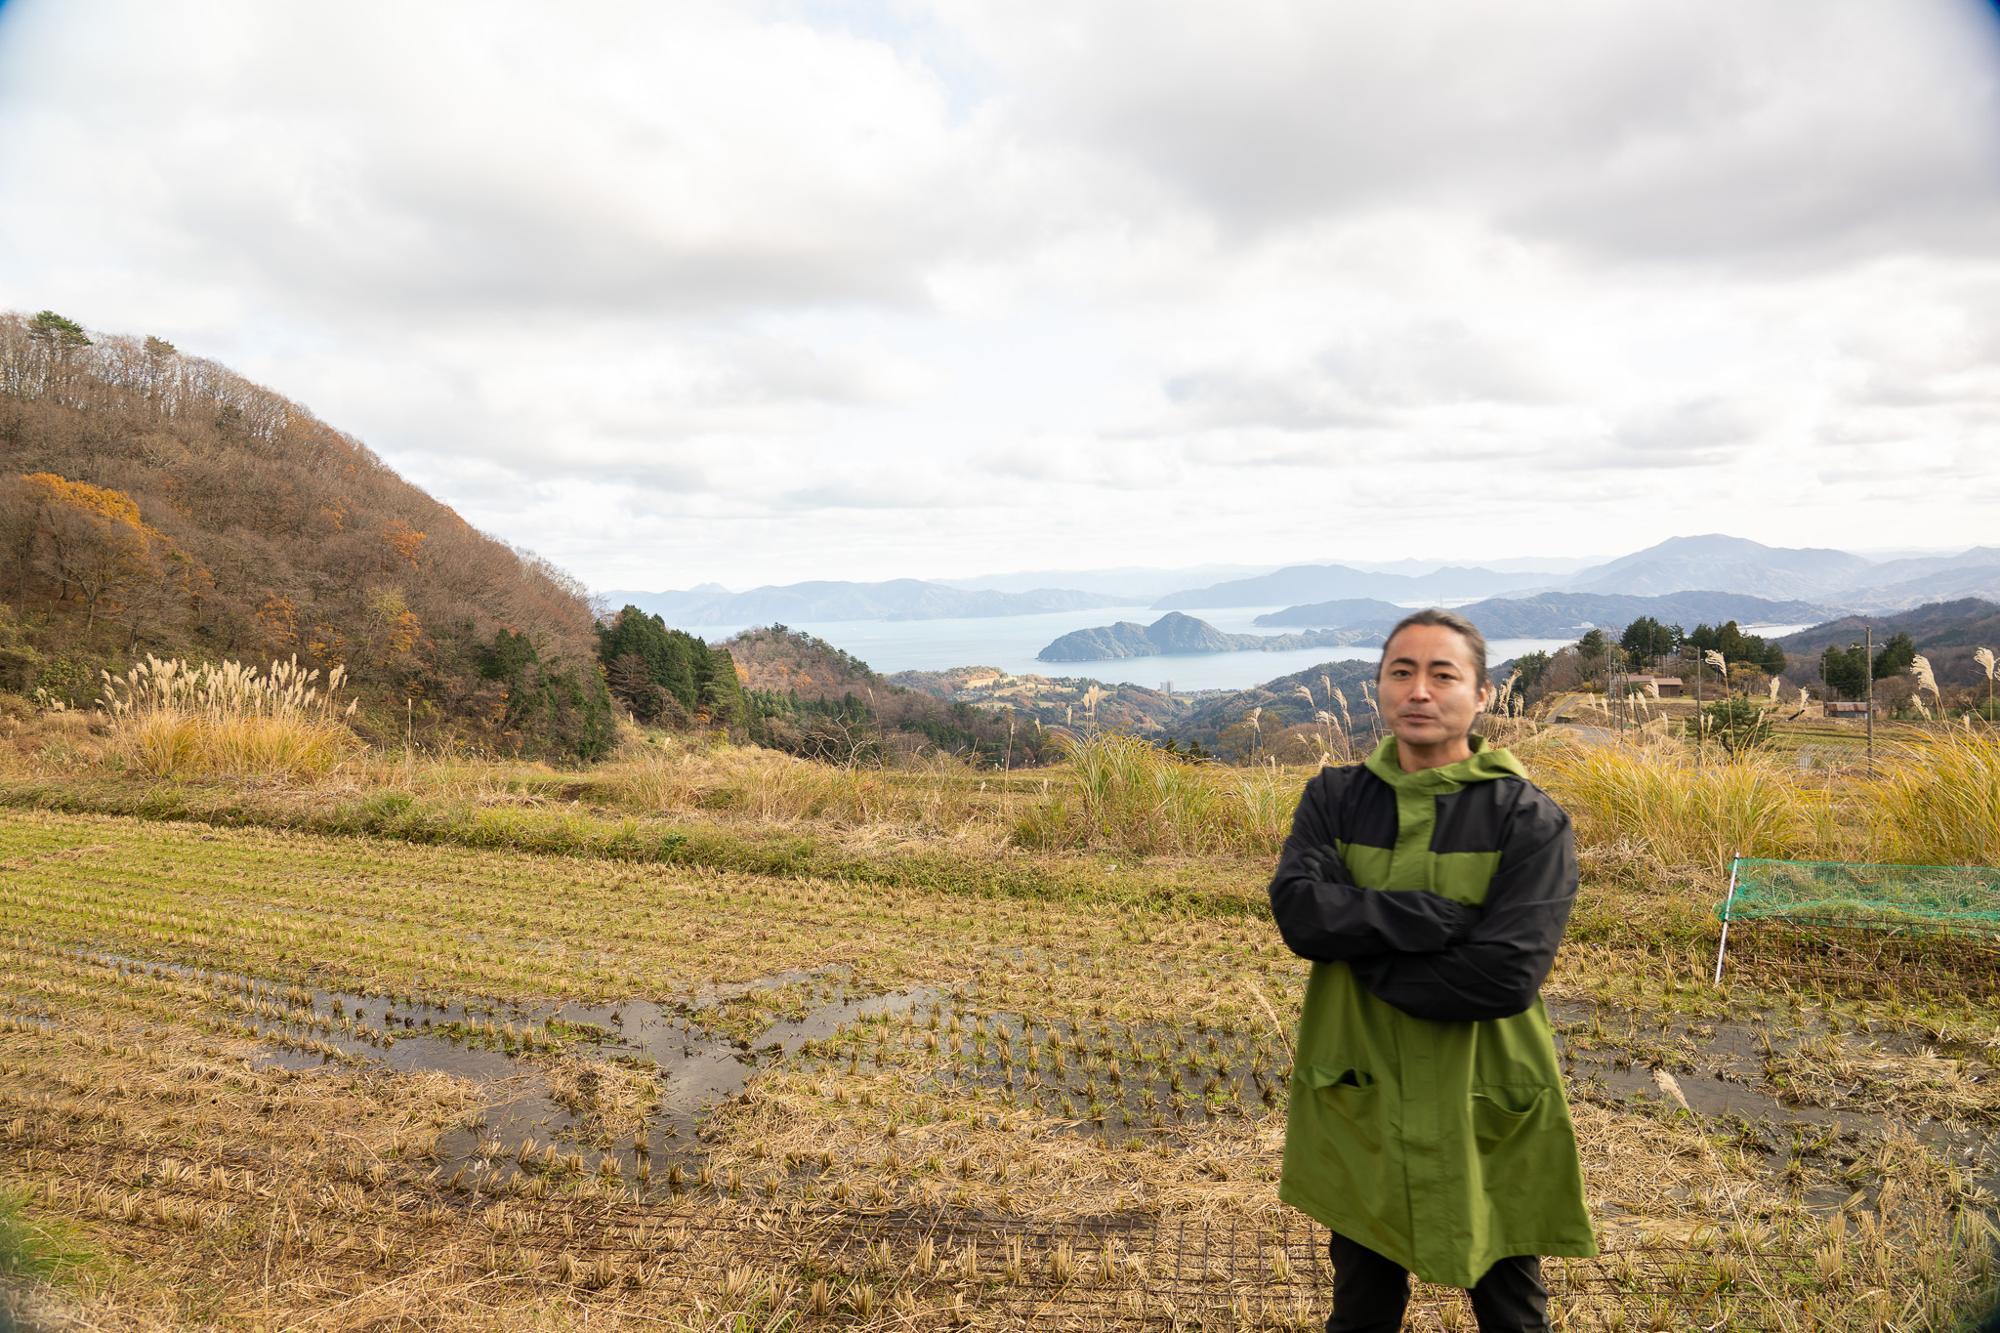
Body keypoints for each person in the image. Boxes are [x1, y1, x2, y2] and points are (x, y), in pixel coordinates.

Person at [1268, 608, 1596, 1333]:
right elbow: (1299, 913)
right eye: (1401, 671)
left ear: (1481, 695)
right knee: (1361, 1302)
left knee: (1511, 1300)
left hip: (1484, 1089)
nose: (1419, 690)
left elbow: (1506, 974)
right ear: (1380, 688)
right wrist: (1431, 918)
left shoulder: (1527, 818)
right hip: (1363, 1081)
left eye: (1442, 674)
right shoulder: (1335, 797)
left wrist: (1366, 959)